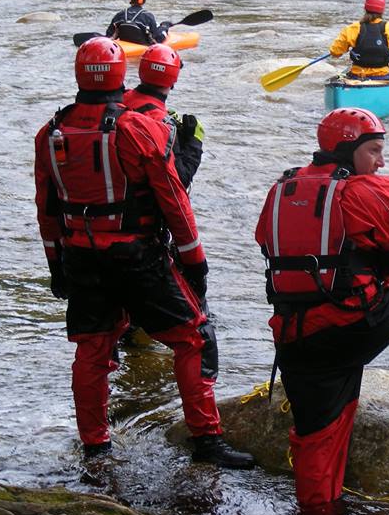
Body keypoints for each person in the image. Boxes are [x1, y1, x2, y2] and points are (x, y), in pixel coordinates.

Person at [34, 37, 254, 469]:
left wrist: (56, 266)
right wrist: (195, 258)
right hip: (138, 256)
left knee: (92, 350)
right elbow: (173, 198)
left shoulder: (51, 131)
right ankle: (207, 440)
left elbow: (46, 207)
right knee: (193, 336)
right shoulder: (138, 127)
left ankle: (96, 447)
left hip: (81, 255)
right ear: (121, 74)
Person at [255, 107, 389, 514]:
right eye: (374, 151)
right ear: (348, 150)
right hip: (352, 325)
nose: (381, 162)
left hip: (293, 336)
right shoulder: (366, 191)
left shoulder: (281, 188)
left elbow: (265, 241)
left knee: (317, 439)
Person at [123, 44, 203, 189]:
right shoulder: (164, 125)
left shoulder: (120, 98)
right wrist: (194, 142)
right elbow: (180, 180)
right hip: (141, 203)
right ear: (173, 81)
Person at [329, 0, 389, 81]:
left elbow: (335, 52)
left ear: (365, 8)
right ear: (382, 10)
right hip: (382, 77)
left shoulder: (353, 28)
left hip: (356, 77)